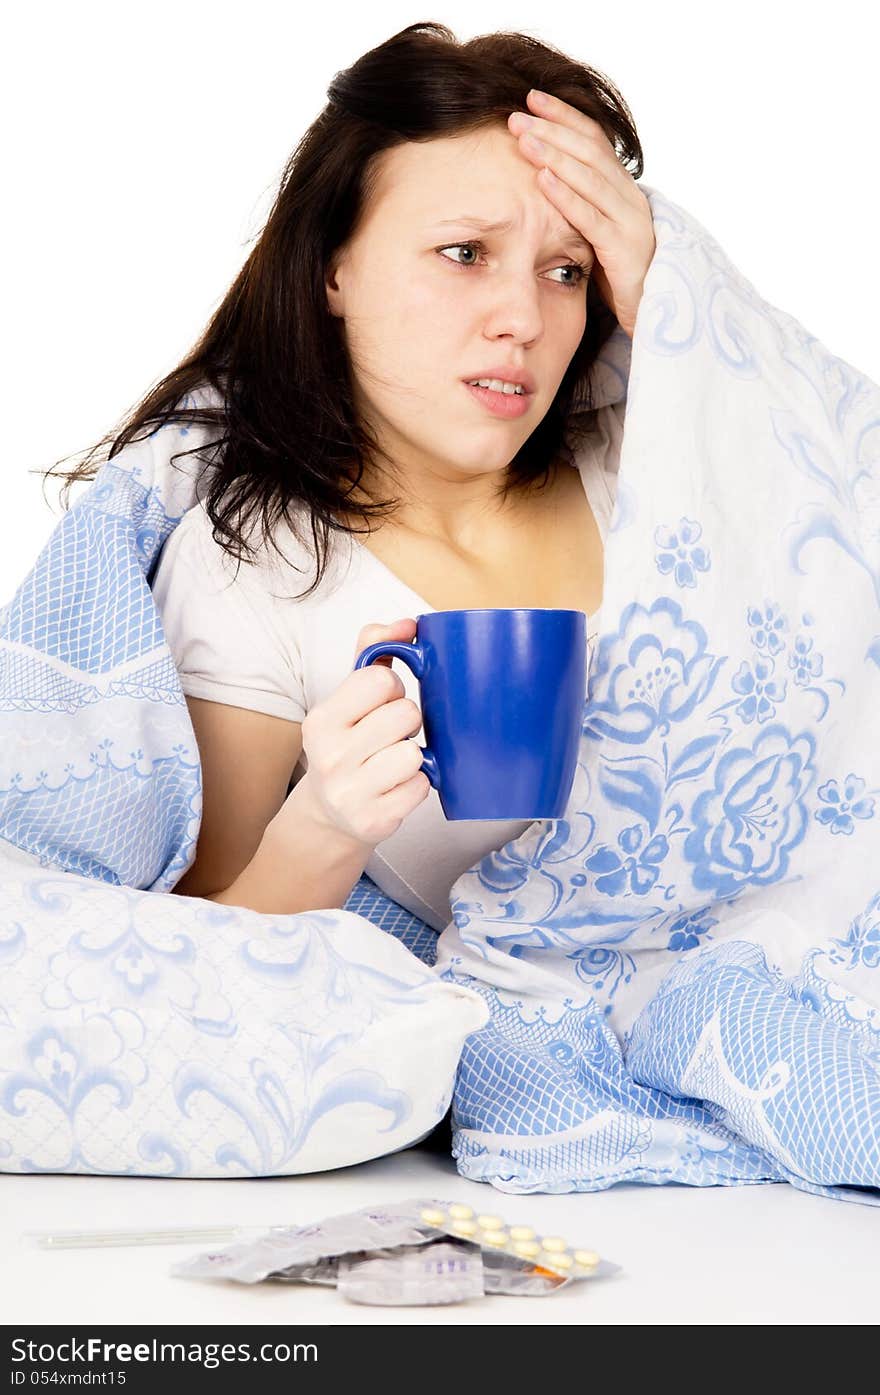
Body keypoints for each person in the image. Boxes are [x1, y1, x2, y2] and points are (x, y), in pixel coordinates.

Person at [40, 21, 655, 934]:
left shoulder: (660, 470)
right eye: (463, 253)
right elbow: (191, 957)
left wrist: (690, 336)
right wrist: (325, 826)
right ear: (336, 267)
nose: (522, 317)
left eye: (566, 270)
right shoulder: (255, 568)